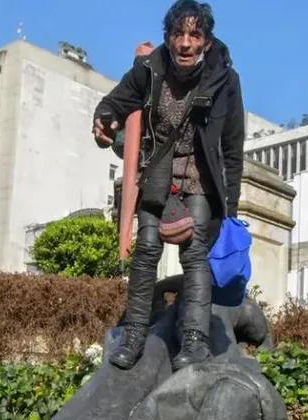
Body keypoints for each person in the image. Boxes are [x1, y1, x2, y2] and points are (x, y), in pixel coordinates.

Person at [92, 0, 245, 372]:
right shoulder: (150, 67)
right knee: (145, 251)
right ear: (168, 37)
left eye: (195, 35)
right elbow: (116, 101)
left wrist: (231, 208)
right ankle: (133, 336)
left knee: (195, 258)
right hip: (158, 172)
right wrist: (104, 119)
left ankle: (194, 340)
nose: (186, 43)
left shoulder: (225, 78)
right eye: (179, 34)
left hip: (199, 178)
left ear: (207, 42)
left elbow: (232, 146)